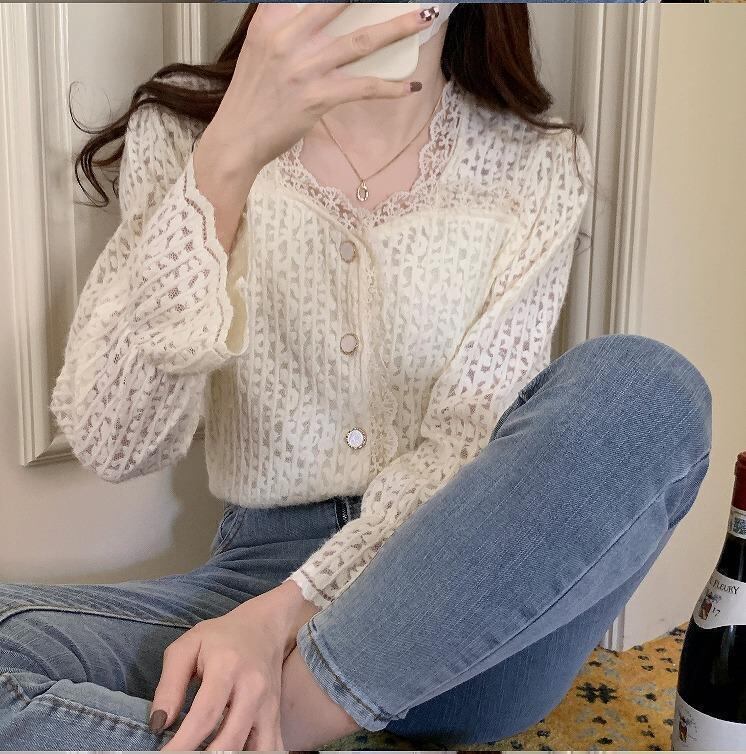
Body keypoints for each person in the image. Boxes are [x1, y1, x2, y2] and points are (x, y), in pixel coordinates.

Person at [0, 3, 711, 750]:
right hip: (253, 573)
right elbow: (117, 442)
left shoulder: (536, 162)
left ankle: (282, 724)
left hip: (462, 593)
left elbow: (464, 442)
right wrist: (231, 150)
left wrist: (287, 615)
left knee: (646, 391)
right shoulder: (190, 130)